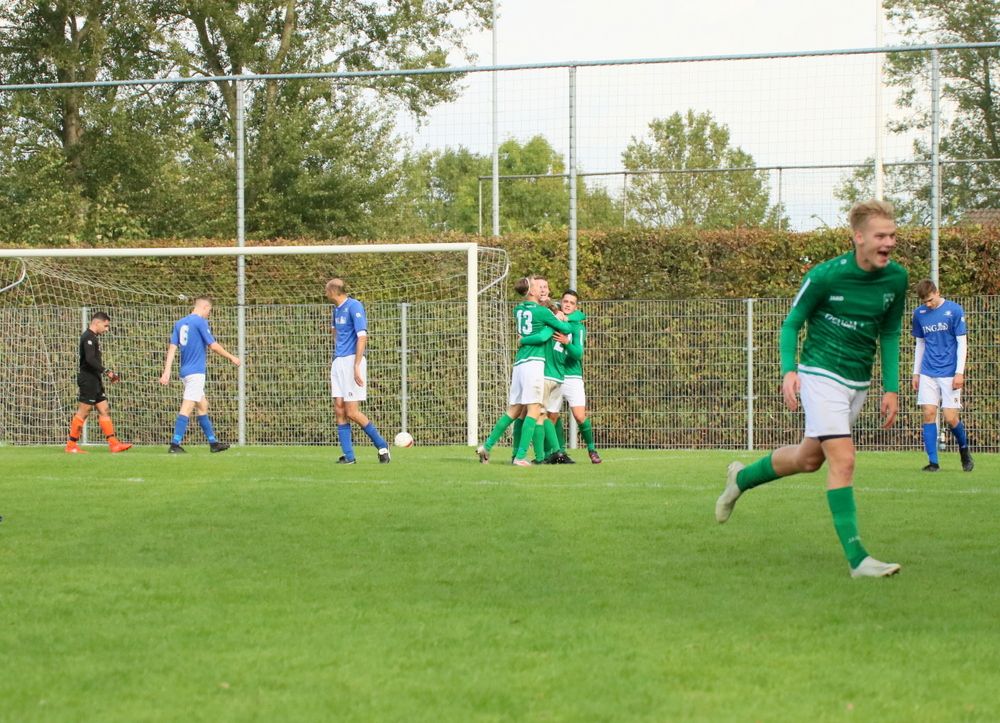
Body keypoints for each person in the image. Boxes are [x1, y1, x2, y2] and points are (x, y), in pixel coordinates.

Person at [715, 200, 908, 579]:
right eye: (881, 236)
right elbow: (791, 325)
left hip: (857, 381)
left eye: (893, 235)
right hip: (820, 375)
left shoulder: (897, 279)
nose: (889, 242)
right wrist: (789, 371)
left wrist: (891, 387)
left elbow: (890, 331)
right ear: (859, 238)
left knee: (809, 460)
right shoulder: (825, 276)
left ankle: (741, 479)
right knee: (844, 460)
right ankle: (859, 560)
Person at [477, 275, 571, 466]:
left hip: (519, 364)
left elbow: (533, 333)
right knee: (534, 410)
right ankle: (520, 456)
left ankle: (486, 446)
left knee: (514, 410)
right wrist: (559, 319)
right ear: (531, 291)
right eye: (537, 286)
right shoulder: (542, 313)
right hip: (533, 364)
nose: (541, 289)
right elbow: (560, 329)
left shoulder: (518, 309)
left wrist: (523, 339)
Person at [159, 296, 240, 453]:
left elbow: (172, 347)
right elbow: (213, 345)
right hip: (196, 372)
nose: (209, 313)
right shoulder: (200, 322)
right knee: (187, 406)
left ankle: (213, 443)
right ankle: (174, 445)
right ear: (203, 307)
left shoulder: (180, 323)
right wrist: (232, 357)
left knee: (202, 405)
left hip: (185, 371)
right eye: (209, 310)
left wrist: (167, 370)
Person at [325, 277, 390, 464]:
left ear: (334, 291)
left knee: (352, 412)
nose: (325, 292)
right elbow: (335, 333)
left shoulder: (354, 306)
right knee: (339, 409)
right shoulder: (336, 310)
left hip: (353, 361)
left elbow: (362, 337)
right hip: (339, 362)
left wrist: (356, 364)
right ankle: (349, 456)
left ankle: (382, 445)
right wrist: (339, 356)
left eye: (327, 289)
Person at [911, 279, 973, 472]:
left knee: (950, 417)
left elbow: (962, 343)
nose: (927, 304)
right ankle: (933, 463)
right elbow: (920, 344)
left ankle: (964, 450)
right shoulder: (919, 314)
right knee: (929, 414)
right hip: (928, 371)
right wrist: (916, 372)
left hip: (949, 372)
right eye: (924, 302)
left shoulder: (954, 310)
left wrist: (959, 372)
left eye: (930, 300)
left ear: (937, 292)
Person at [545, 290, 602, 464]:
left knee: (579, 416)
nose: (568, 304)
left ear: (576, 306)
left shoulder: (578, 327)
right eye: (565, 301)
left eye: (571, 302)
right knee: (551, 416)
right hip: (555, 374)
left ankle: (592, 449)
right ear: (561, 303)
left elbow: (578, 354)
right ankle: (555, 453)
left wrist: (567, 342)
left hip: (572, 377)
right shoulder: (554, 322)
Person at [65, 311, 132, 454]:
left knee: (104, 409)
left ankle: (114, 444)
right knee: (84, 411)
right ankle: (71, 445)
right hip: (87, 379)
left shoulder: (93, 337)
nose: (106, 329)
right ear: (97, 323)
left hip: (95, 379)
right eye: (106, 326)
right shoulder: (87, 337)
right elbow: (89, 360)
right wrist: (107, 371)